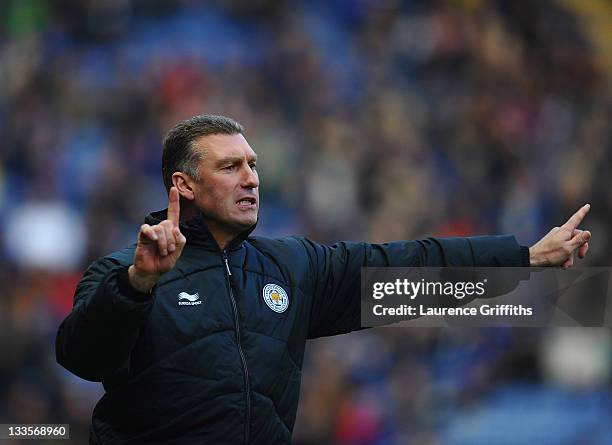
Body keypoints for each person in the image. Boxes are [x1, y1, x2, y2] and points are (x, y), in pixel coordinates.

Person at [56, 114, 592, 445]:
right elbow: (81, 356)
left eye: (253, 164)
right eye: (231, 167)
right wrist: (136, 284)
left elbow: (402, 268)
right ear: (184, 184)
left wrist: (522, 258)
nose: (252, 178)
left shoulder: (291, 267)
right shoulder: (122, 271)